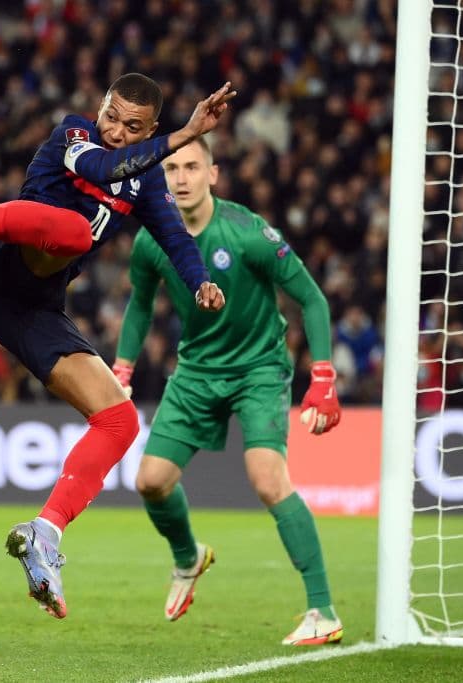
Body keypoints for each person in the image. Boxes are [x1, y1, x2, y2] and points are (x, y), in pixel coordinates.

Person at [0, 74, 234, 619]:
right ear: (100, 106)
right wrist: (183, 135)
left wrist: (199, 280)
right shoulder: (75, 134)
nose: (117, 132)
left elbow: (174, 235)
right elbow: (102, 169)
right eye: (113, 116)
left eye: (134, 127)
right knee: (75, 231)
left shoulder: (147, 181)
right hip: (1, 260)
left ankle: (44, 534)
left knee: (120, 420)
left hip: (32, 306)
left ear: (149, 129)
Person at [112, 137, 343, 645]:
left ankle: (322, 610)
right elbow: (141, 306)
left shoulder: (247, 232)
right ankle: (187, 558)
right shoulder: (153, 240)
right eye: (171, 167)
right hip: (196, 371)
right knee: (150, 481)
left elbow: (311, 298)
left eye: (193, 166)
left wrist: (322, 375)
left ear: (213, 173)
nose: (181, 177)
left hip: (258, 368)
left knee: (267, 478)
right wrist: (123, 367)